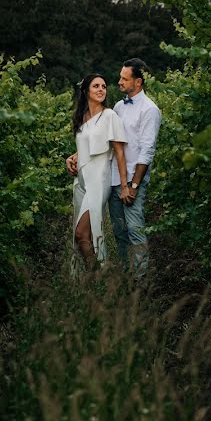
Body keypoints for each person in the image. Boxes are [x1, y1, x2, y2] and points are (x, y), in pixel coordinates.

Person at [67, 59, 161, 277]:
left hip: (130, 180)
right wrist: (74, 157)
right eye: (119, 78)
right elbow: (101, 143)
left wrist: (133, 184)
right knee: (119, 232)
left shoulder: (150, 110)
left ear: (137, 82)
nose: (118, 82)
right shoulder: (118, 107)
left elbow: (145, 152)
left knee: (135, 231)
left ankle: (139, 281)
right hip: (110, 179)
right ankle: (126, 275)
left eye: (124, 79)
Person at [70, 73, 129, 270]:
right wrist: (73, 157)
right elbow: (87, 146)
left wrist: (124, 185)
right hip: (82, 180)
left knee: (81, 232)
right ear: (86, 90)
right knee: (82, 235)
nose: (101, 89)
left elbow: (119, 152)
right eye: (96, 86)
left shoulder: (110, 116)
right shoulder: (82, 116)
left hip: (99, 180)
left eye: (104, 86)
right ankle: (92, 280)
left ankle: (100, 271)